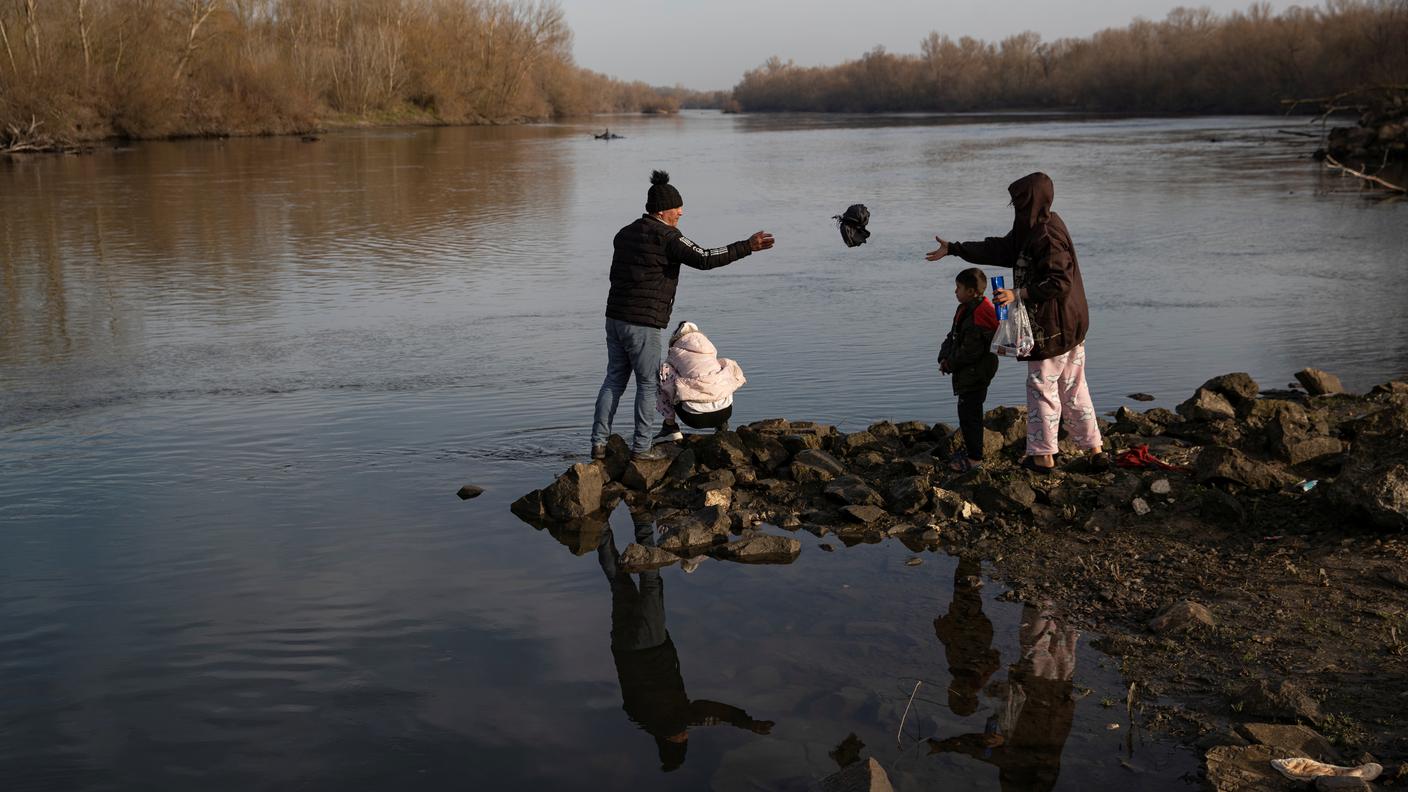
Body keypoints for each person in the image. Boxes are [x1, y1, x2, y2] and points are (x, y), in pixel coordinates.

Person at [925, 172, 1105, 474]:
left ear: (1031, 201)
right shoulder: (1038, 226)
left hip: (1053, 328)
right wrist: (955, 248)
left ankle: (1044, 456)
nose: (1015, 208)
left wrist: (1017, 293)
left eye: (1018, 202)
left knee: (1041, 388)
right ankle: (1094, 450)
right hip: (1071, 325)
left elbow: (1060, 281)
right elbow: (1002, 249)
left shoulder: (1046, 234)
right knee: (1074, 387)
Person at [592, 171, 775, 461]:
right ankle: (641, 448)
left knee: (614, 380)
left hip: (614, 319)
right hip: (643, 323)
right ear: (663, 211)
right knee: (647, 384)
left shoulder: (624, 233)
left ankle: (599, 445)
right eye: (677, 208)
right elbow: (704, 258)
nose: (681, 213)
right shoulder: (667, 237)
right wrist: (747, 247)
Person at [597, 510, 774, 772]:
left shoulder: (675, 722)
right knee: (618, 583)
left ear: (679, 742)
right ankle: (600, 524)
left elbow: (710, 713)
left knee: (651, 582)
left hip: (651, 645)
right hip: (622, 648)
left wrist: (745, 722)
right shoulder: (638, 718)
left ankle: (642, 517)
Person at [937, 268, 1000, 473]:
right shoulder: (966, 308)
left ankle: (974, 458)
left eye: (959, 288)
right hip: (968, 371)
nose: (955, 292)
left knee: (970, 415)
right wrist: (944, 357)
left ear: (972, 292)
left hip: (976, 373)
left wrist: (950, 364)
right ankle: (972, 451)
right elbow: (953, 335)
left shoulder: (980, 315)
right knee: (967, 412)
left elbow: (970, 352)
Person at [655, 321, 746, 440]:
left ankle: (670, 426)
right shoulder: (710, 350)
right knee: (719, 372)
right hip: (725, 412)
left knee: (663, 371)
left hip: (694, 418)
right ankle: (722, 426)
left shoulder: (675, 352)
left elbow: (667, 381)